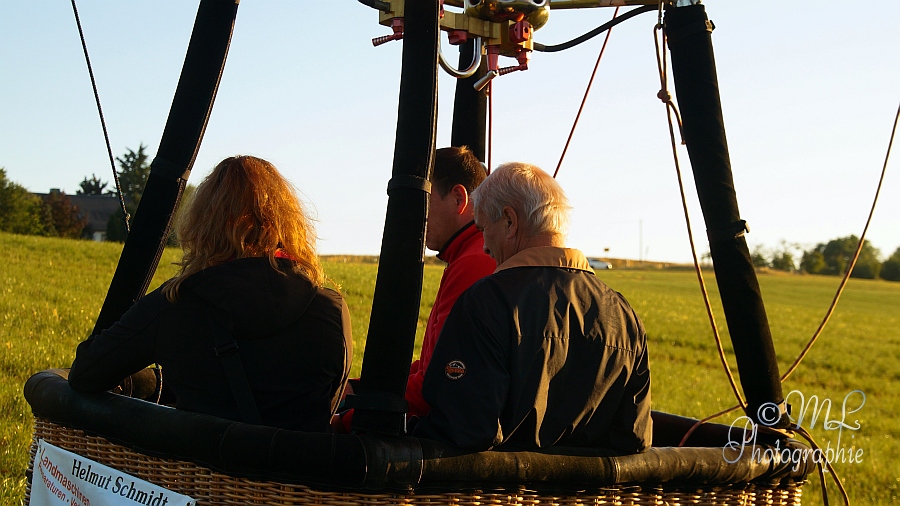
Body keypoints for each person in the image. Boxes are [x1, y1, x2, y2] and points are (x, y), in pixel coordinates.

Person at [68, 155, 352, 432]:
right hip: (296, 465)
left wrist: (162, 374)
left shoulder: (175, 303)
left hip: (195, 465)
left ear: (202, 224)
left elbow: (85, 373)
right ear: (288, 222)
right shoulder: (329, 308)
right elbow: (327, 403)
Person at [413, 162, 652, 452]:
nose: (485, 246)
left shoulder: (485, 302)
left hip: (504, 481)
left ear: (509, 221)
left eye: (484, 228)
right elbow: (634, 437)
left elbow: (463, 430)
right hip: (591, 483)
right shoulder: (623, 314)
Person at [333, 146, 495, 432]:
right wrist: (359, 389)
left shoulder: (473, 262)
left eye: (425, 203)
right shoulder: (465, 256)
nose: (417, 217)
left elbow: (440, 381)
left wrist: (348, 421)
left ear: (458, 199)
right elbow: (428, 368)